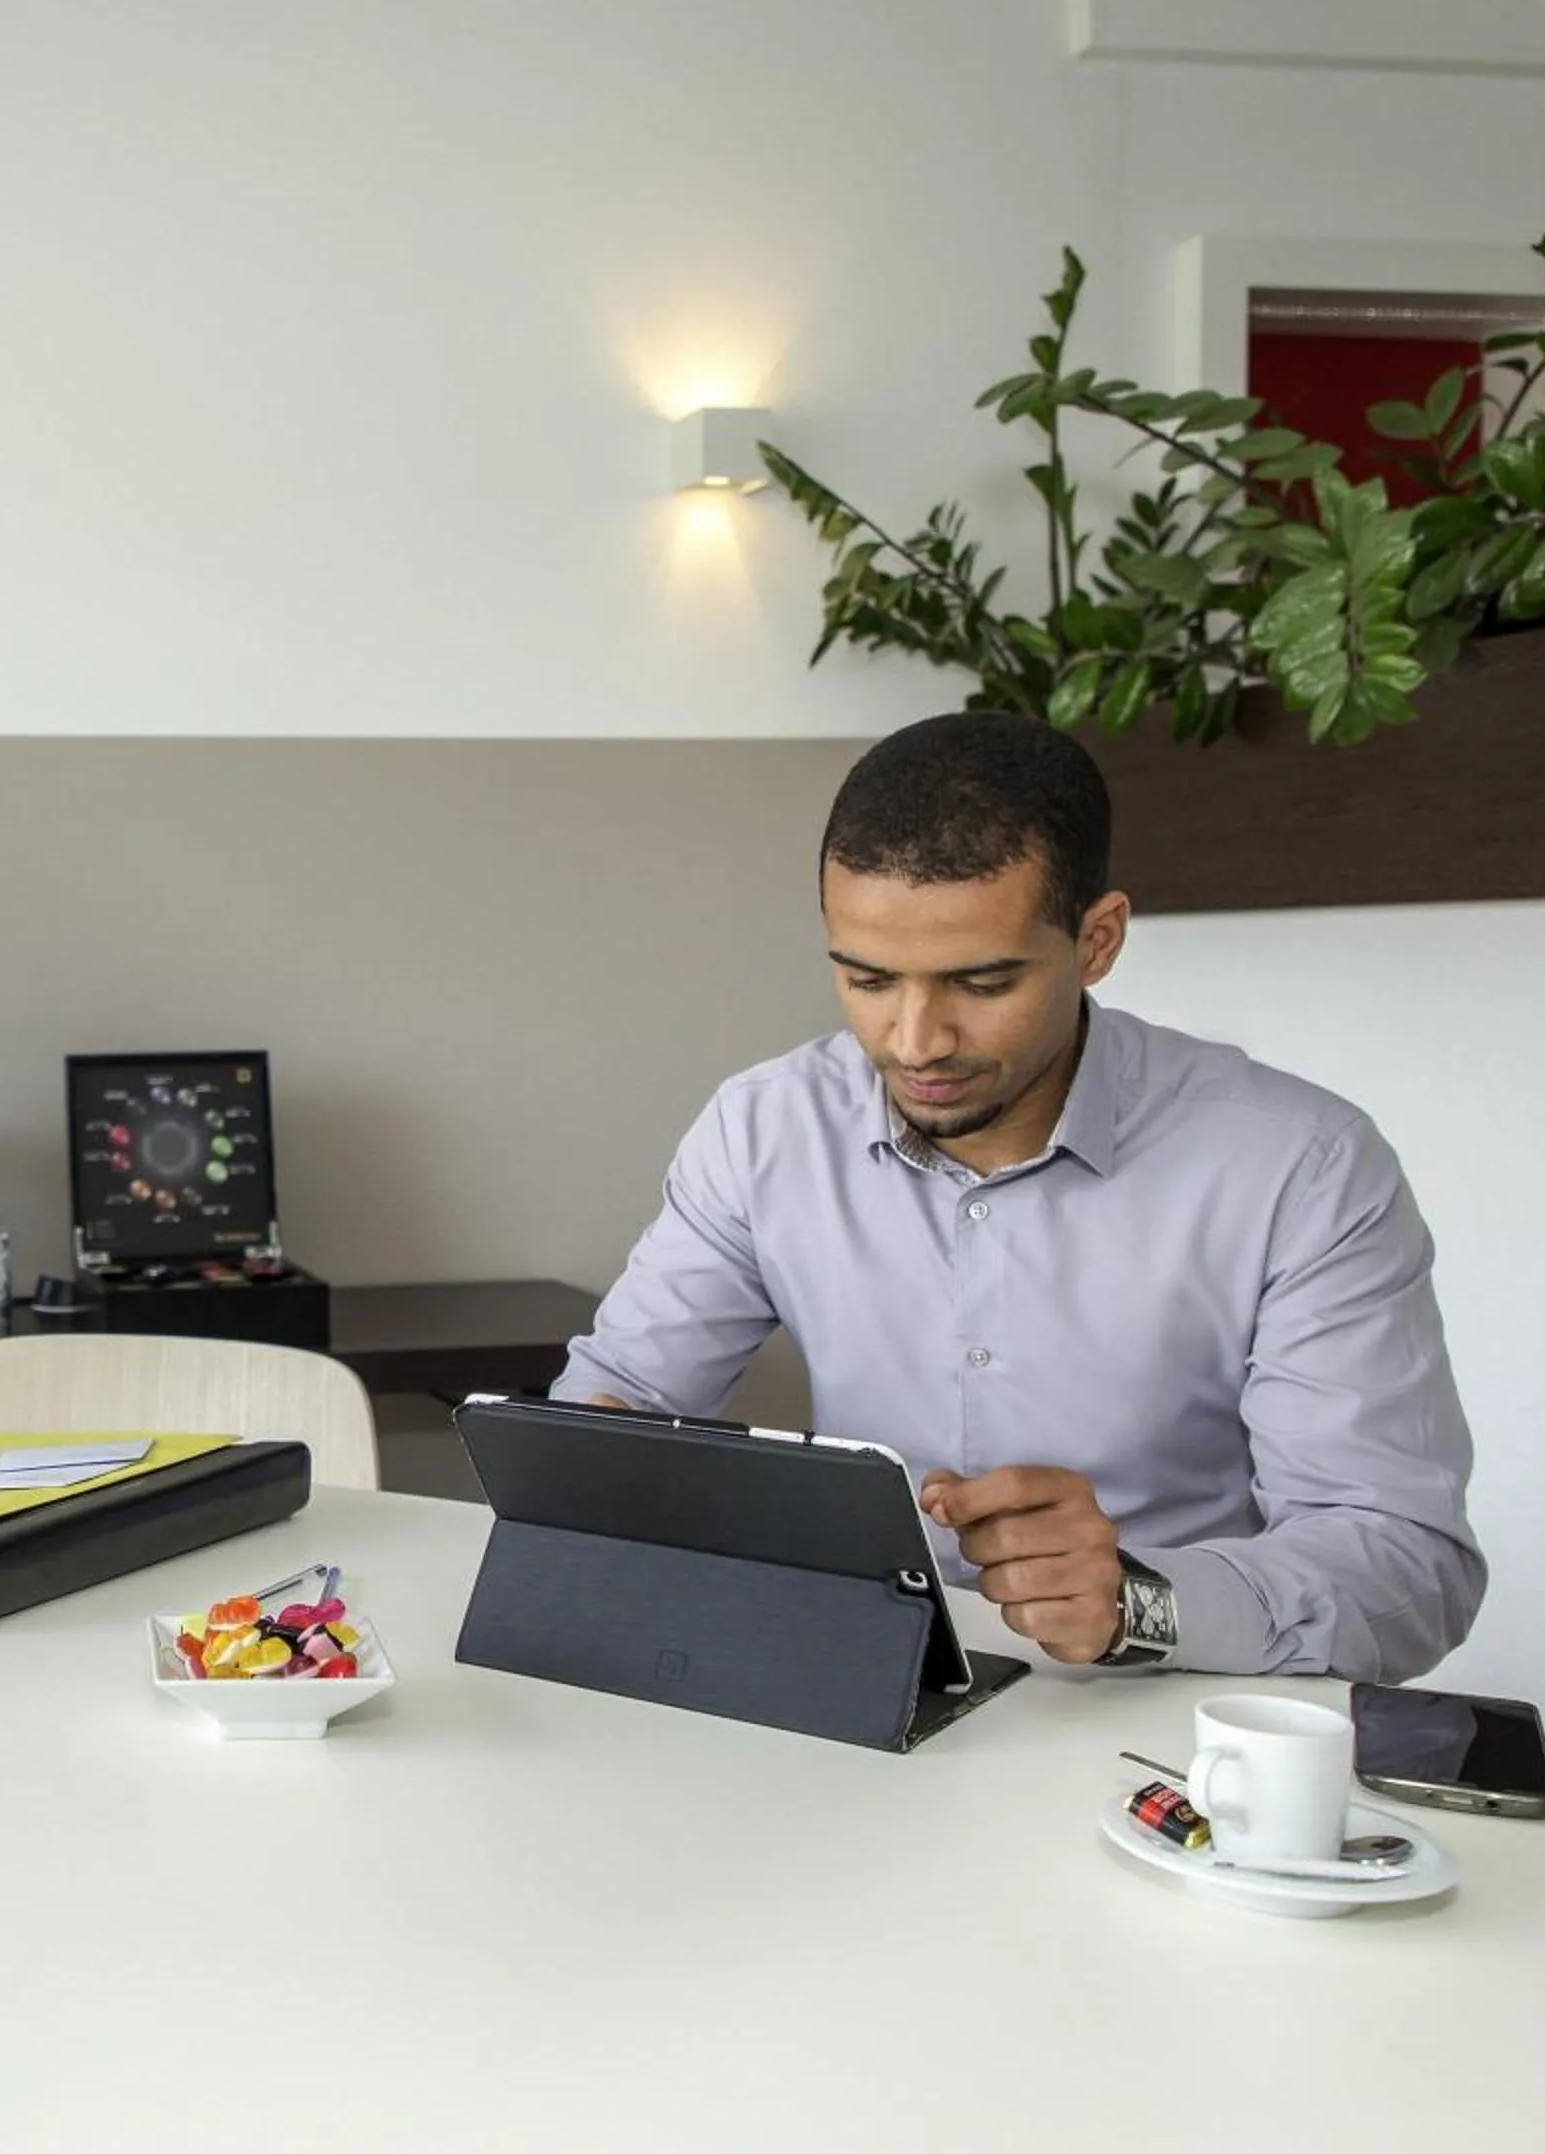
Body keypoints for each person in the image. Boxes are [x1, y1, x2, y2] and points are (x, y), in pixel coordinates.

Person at [555, 712, 1482, 1680]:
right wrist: (608, 1459)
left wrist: (1139, 1599)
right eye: (868, 979)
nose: (915, 1041)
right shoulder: (763, 1128)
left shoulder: (1302, 1166)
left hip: (1162, 1729)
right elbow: (622, 1397)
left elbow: (1409, 1570)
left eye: (982, 981)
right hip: (842, 1686)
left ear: (1098, 939)